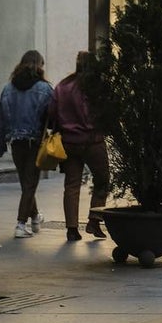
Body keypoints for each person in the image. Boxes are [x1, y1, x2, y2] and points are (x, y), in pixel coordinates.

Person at [49, 50, 110, 241]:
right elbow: (105, 112)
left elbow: (52, 115)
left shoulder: (62, 87)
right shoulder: (97, 87)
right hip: (93, 141)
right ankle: (94, 220)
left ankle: (72, 229)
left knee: (71, 185)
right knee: (102, 180)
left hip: (69, 142)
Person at [0, 49, 54, 239]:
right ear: (39, 66)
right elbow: (53, 117)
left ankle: (35, 217)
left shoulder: (8, 88)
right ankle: (21, 224)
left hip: (16, 143)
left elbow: (1, 119)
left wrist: (0, 144)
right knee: (29, 183)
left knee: (26, 182)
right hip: (35, 141)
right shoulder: (44, 89)